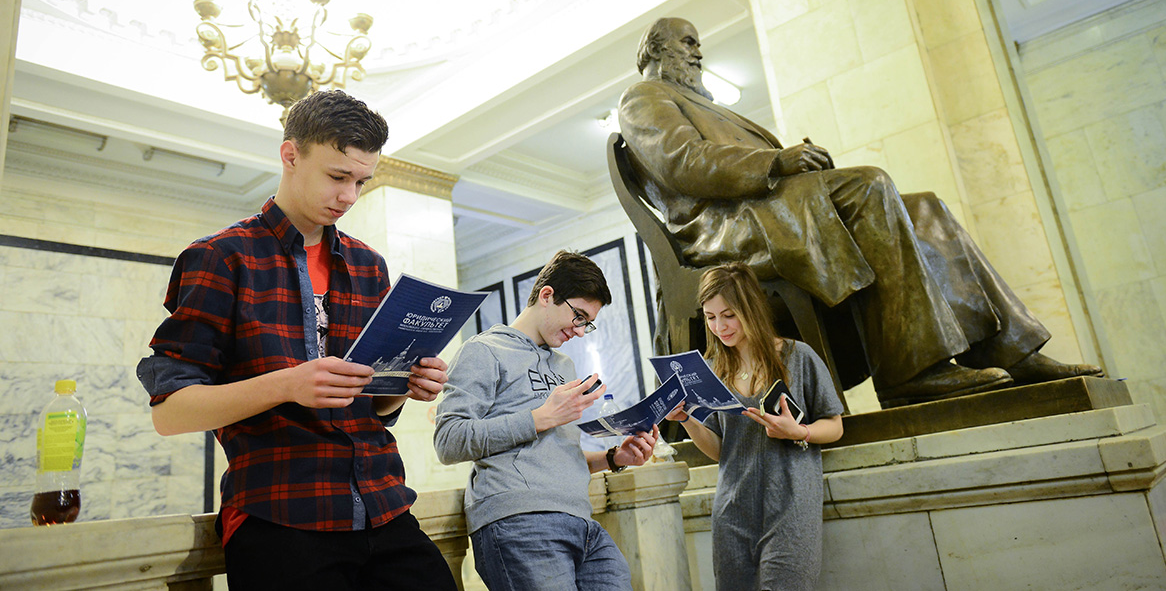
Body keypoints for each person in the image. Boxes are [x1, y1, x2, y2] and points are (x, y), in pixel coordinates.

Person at [618, 17, 1101, 408]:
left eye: (697, 42)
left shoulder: (702, 102)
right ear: (656, 51)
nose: (698, 52)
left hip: (767, 207)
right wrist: (776, 161)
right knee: (869, 184)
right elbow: (683, 162)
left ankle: (1012, 350)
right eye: (687, 42)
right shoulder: (644, 98)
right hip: (724, 231)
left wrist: (790, 162)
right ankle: (908, 372)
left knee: (924, 207)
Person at [135, 90, 456, 591]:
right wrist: (287, 384)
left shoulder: (368, 265)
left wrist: (407, 382)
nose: (350, 196)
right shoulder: (222, 257)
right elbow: (169, 413)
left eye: (361, 181)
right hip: (280, 513)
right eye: (337, 176)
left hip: (385, 504)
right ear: (290, 155)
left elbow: (374, 407)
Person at [434, 250, 659, 591]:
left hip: (583, 524)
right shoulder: (483, 350)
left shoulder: (564, 366)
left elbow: (554, 454)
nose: (581, 332)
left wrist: (614, 458)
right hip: (519, 521)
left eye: (588, 323)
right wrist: (539, 417)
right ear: (547, 295)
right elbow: (448, 441)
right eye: (579, 316)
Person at [666, 262, 844, 591]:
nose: (720, 326)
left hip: (790, 508)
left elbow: (834, 426)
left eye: (729, 314)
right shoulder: (712, 372)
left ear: (750, 307)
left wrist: (799, 432)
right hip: (731, 513)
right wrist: (687, 420)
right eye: (710, 317)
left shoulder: (797, 357)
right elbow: (723, 451)